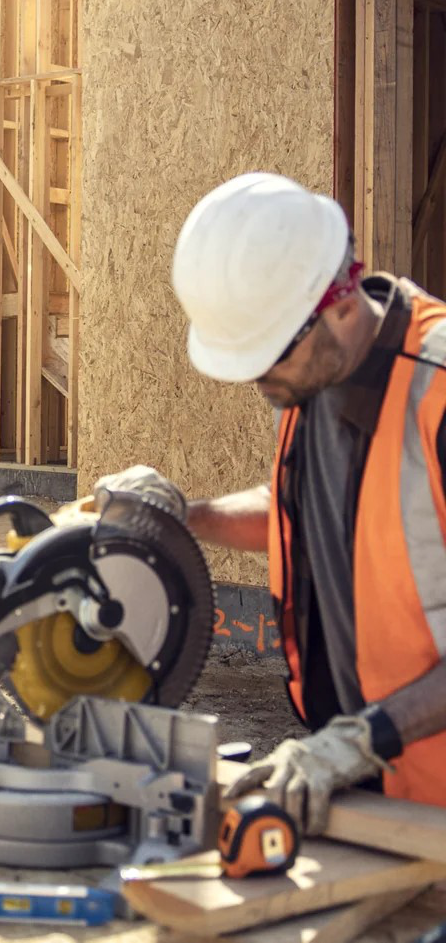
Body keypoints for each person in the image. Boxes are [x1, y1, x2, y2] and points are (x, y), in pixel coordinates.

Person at [106, 172, 446, 834]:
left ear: (341, 304)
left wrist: (362, 737)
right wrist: (185, 515)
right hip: (371, 787)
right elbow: (300, 513)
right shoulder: (311, 372)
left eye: (268, 358)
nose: (260, 379)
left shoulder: (436, 394)